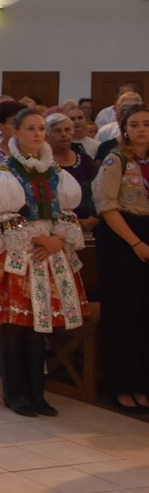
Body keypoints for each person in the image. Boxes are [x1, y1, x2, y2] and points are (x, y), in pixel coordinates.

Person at [0, 109, 88, 417]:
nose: (38, 133)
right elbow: (2, 218)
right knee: (14, 324)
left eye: (41, 128)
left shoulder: (55, 171)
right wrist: (40, 239)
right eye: (30, 128)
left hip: (49, 252)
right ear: (15, 132)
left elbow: (66, 213)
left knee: (38, 325)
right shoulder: (6, 172)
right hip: (18, 253)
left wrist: (58, 239)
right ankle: (14, 392)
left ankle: (36, 393)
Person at [92, 103, 149, 412]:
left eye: (147, 124)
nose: (141, 129)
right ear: (125, 129)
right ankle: (122, 384)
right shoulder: (117, 159)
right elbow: (107, 206)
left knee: (145, 315)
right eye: (135, 124)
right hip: (122, 239)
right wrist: (136, 243)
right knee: (124, 314)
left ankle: (143, 383)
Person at [46, 112, 98, 229]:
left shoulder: (85, 160)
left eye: (67, 130)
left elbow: (98, 190)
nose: (63, 134)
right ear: (47, 135)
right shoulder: (41, 164)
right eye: (57, 131)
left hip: (87, 225)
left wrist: (94, 218)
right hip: (53, 226)